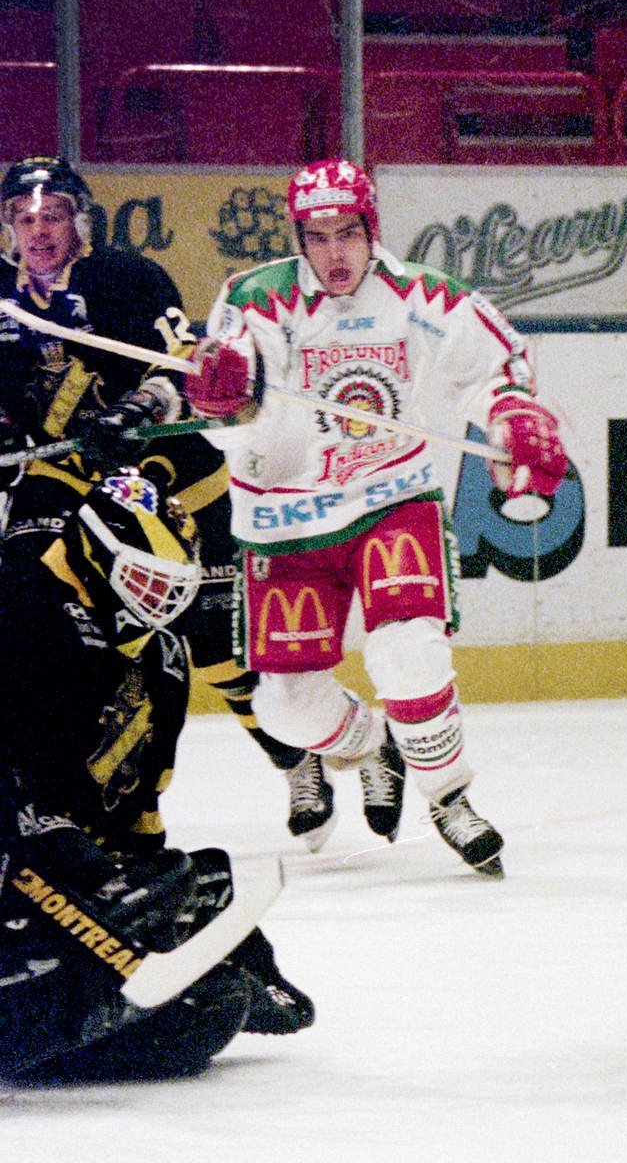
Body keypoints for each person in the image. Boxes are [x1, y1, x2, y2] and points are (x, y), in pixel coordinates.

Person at [0, 154, 403, 851]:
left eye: (54, 216)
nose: (39, 232)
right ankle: (57, 784)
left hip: (168, 472)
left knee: (217, 649)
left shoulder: (127, 278)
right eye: (24, 218)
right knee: (28, 601)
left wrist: (135, 410)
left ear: (80, 222)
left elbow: (184, 366)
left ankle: (313, 757)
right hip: (66, 476)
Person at [180, 159, 570, 877]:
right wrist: (222, 399)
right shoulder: (254, 298)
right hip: (283, 521)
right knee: (287, 709)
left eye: (348, 234)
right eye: (318, 237)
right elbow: (227, 410)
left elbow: (499, 361)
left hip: (391, 499)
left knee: (408, 651)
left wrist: (513, 411)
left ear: (372, 229)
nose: (335, 253)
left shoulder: (417, 293)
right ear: (299, 238)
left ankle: (450, 797)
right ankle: (372, 744)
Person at [0, 473, 311, 1082]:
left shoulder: (161, 661)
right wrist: (50, 844)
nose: (159, 604)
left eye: (172, 589)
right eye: (146, 582)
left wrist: (169, 903)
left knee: (208, 1001)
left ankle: (74, 998)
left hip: (63, 878)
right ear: (96, 550)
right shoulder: (19, 603)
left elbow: (138, 811)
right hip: (19, 861)